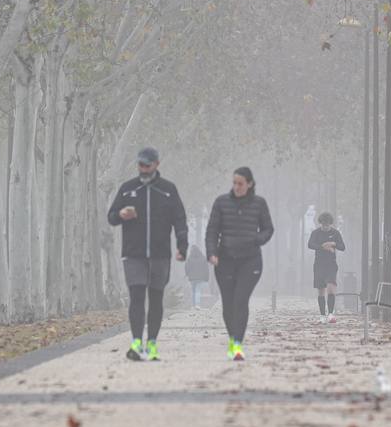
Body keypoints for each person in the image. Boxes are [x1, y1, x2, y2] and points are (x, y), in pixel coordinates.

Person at [107, 147, 188, 361]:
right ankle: (136, 344)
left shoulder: (168, 190)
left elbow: (180, 220)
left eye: (147, 165)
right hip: (133, 254)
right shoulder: (127, 189)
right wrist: (121, 214)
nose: (143, 169)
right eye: (140, 165)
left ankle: (152, 343)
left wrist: (182, 245)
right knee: (136, 297)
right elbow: (111, 217)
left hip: (161, 255)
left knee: (156, 298)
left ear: (156, 164)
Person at [205, 166, 274, 361]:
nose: (236, 187)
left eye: (240, 184)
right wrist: (211, 253)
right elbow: (212, 230)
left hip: (250, 261)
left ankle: (237, 345)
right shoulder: (221, 202)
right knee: (228, 304)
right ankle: (232, 338)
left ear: (250, 184)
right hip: (225, 260)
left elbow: (268, 229)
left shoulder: (259, 204)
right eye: (234, 183)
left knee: (240, 300)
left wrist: (256, 239)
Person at [308, 211, 346, 323]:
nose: (325, 227)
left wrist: (333, 244)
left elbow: (342, 247)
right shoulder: (315, 233)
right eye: (323, 224)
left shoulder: (336, 233)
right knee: (321, 290)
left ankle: (330, 313)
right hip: (319, 264)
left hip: (331, 264)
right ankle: (322, 315)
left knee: (331, 287)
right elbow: (310, 244)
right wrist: (322, 247)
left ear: (330, 224)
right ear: (321, 223)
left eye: (328, 225)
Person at [185, 228, 210, 307]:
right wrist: (206, 277)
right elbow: (206, 268)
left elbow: (187, 267)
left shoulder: (190, 258)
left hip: (192, 277)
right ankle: (197, 304)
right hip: (200, 277)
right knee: (198, 290)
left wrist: (187, 274)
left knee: (193, 290)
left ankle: (194, 304)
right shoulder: (202, 258)